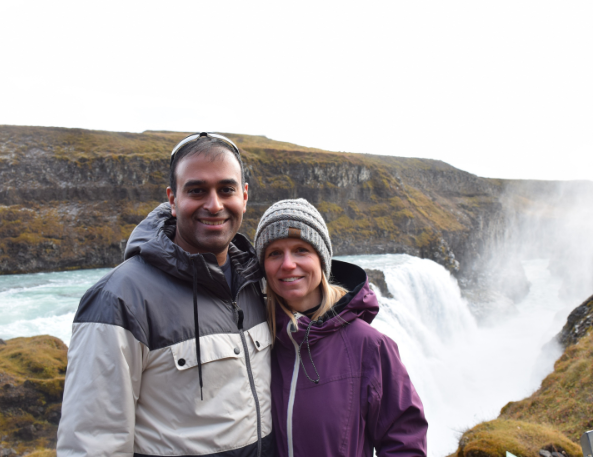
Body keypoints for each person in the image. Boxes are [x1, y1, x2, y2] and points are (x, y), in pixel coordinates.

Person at [57, 132, 274, 457]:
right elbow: (92, 442)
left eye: (226, 189)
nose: (214, 205)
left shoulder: (260, 283)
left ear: (244, 196)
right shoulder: (118, 299)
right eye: (197, 190)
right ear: (172, 200)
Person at [254, 198, 427, 457]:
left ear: (322, 260)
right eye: (275, 253)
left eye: (302, 250)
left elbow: (406, 442)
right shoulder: (256, 341)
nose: (288, 264)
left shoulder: (369, 346)